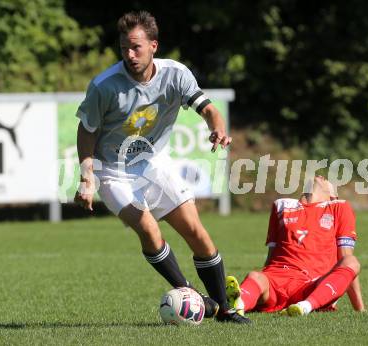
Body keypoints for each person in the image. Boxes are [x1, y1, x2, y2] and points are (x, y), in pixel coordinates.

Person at [74, 10, 250, 324]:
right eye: (124, 48)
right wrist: (87, 174)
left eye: (136, 47)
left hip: (153, 163)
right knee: (148, 228)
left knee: (197, 233)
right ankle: (193, 299)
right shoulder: (104, 86)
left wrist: (218, 127)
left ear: (154, 45)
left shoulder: (176, 74)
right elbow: (87, 129)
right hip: (112, 172)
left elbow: (208, 109)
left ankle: (224, 309)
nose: (129, 54)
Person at [226, 176, 365, 316]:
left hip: (312, 284)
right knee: (255, 276)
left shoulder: (338, 207)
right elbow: (271, 257)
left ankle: (305, 306)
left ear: (332, 196)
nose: (322, 177)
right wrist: (261, 287)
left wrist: (360, 310)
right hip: (277, 278)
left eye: (326, 180)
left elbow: (345, 258)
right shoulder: (282, 206)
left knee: (351, 261)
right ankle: (239, 304)